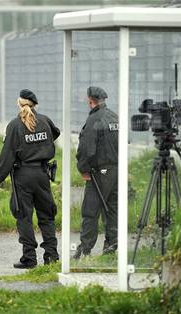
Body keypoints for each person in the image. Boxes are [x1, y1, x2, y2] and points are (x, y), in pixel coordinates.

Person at [0, 89, 60, 269]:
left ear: (19, 103)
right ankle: (52, 256)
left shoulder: (14, 126)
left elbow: (7, 155)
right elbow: (56, 133)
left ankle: (29, 258)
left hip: (23, 176)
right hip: (42, 174)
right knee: (47, 215)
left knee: (24, 216)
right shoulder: (44, 121)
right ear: (34, 105)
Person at [73, 86, 119, 259]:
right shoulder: (114, 116)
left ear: (90, 101)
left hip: (100, 172)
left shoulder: (94, 120)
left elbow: (86, 148)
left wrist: (83, 169)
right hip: (116, 170)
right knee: (113, 209)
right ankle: (111, 246)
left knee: (90, 211)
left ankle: (84, 250)